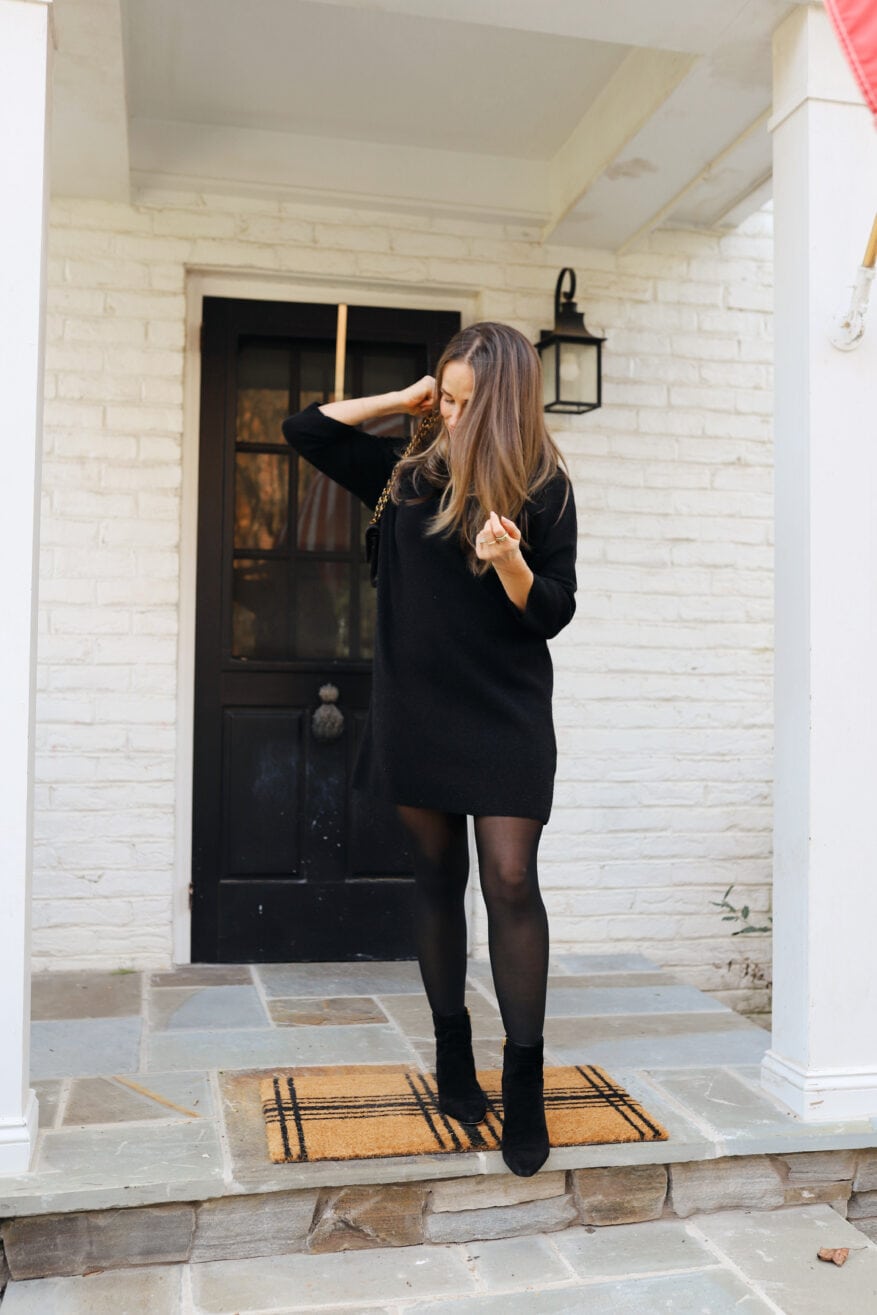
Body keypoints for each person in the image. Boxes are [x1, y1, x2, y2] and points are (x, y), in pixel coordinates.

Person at [282, 321, 577, 1176]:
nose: (449, 414)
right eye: (443, 398)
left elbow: (552, 610)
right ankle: (453, 1053)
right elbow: (307, 429)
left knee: (510, 878)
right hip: (415, 708)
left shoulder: (544, 488)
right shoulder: (406, 475)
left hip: (505, 710)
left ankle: (523, 1079)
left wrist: (510, 561)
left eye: (464, 401)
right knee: (437, 877)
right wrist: (404, 398)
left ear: (506, 403)